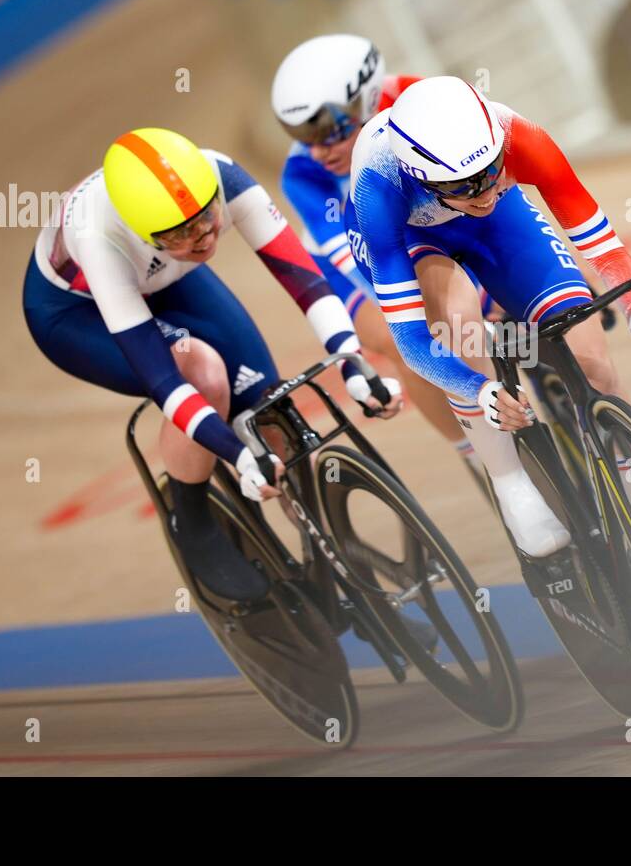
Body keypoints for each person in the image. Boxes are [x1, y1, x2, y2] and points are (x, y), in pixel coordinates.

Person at [343, 76, 631, 618]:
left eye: (489, 175)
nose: (481, 193)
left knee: (593, 360)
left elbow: (598, 241)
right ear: (421, 174)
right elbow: (411, 342)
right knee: (458, 325)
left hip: (501, 227)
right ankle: (512, 487)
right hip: (416, 236)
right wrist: (475, 389)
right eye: (464, 187)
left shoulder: (517, 136)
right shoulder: (378, 188)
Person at [22, 127, 401, 602]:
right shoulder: (99, 240)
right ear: (143, 232)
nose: (203, 237)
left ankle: (343, 584)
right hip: (76, 315)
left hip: (163, 276)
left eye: (207, 218)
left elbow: (307, 283)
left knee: (268, 409)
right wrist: (238, 453)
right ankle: (193, 522)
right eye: (183, 232)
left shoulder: (219, 175)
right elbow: (164, 380)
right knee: (202, 372)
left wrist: (352, 362)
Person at [271, 35, 488, 481]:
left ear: (368, 102)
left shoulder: (420, 96)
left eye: (328, 131)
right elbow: (362, 267)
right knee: (400, 335)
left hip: (424, 227)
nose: (317, 151)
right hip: (349, 261)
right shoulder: (302, 175)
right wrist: (427, 320)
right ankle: (475, 455)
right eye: (302, 137)